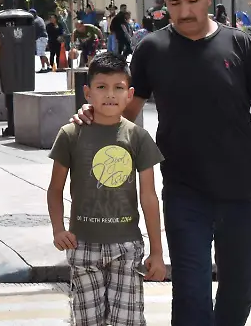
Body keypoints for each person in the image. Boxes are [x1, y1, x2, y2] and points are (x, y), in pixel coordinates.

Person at [74, 0, 251, 325]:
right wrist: (93, 120)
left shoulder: (239, 44)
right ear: (164, 4)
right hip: (185, 191)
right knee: (191, 292)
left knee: (240, 288)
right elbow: (127, 113)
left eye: (192, 0)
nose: (184, 11)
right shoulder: (151, 49)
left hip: (242, 188)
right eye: (174, 4)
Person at [49, 53, 166, 326]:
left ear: (130, 94)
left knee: (128, 320)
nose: (110, 95)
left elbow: (149, 197)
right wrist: (58, 229)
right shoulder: (70, 134)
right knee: (87, 320)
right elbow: (55, 189)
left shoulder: (138, 137)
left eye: (118, 88)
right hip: (82, 246)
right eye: (101, 87)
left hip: (127, 247)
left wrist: (157, 252)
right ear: (87, 92)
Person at [32, 9, 50, 73]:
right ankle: (48, 66)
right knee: (42, 53)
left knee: (41, 54)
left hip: (41, 38)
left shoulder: (35, 21)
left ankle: (44, 67)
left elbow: (34, 31)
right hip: (43, 37)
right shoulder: (40, 19)